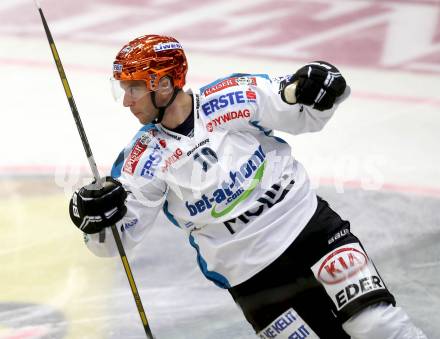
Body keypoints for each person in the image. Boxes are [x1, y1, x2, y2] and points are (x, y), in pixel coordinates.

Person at [69, 34, 426, 338]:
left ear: (163, 85)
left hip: (311, 232)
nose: (127, 101)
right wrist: (96, 219)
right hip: (253, 278)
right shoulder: (142, 159)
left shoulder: (235, 95)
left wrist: (324, 84)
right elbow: (116, 240)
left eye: (134, 88)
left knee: (379, 325)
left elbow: (303, 111)